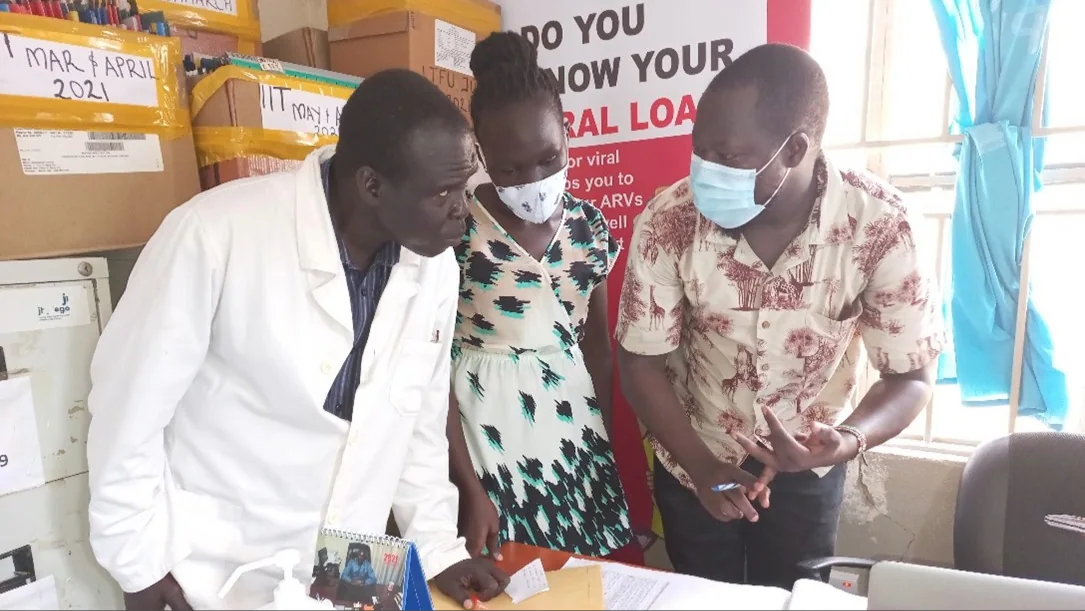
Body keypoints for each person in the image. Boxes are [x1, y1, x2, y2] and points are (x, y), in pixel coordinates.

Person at [86, 69, 509, 610]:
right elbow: (128, 411)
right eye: (444, 192)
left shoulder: (435, 267)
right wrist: (137, 565)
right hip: (219, 570)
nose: (463, 210)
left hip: (353, 565)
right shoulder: (215, 234)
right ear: (372, 185)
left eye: (464, 187)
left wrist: (440, 547)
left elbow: (416, 421)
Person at [616, 44, 945, 588]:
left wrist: (847, 441)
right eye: (701, 151)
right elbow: (640, 361)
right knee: (702, 596)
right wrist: (699, 467)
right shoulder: (669, 219)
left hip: (809, 464)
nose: (705, 172)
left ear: (795, 148)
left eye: (728, 157)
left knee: (795, 597)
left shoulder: (880, 226)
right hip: (693, 452)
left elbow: (911, 376)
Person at [446, 32, 635, 562]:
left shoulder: (589, 227)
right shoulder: (457, 229)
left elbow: (597, 347)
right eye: (509, 169)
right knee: (502, 577)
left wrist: (600, 444)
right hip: (484, 435)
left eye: (549, 158)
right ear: (480, 150)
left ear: (567, 132)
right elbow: (430, 364)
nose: (533, 180)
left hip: (572, 428)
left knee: (575, 580)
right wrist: (464, 481)